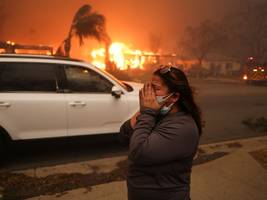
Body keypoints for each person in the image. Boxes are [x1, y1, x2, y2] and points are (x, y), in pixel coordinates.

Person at [119, 65, 202, 200]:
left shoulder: (183, 127)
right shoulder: (155, 114)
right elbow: (123, 136)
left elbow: (138, 153)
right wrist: (144, 110)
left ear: (174, 97)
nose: (149, 93)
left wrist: (147, 112)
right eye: (150, 87)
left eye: (156, 88)